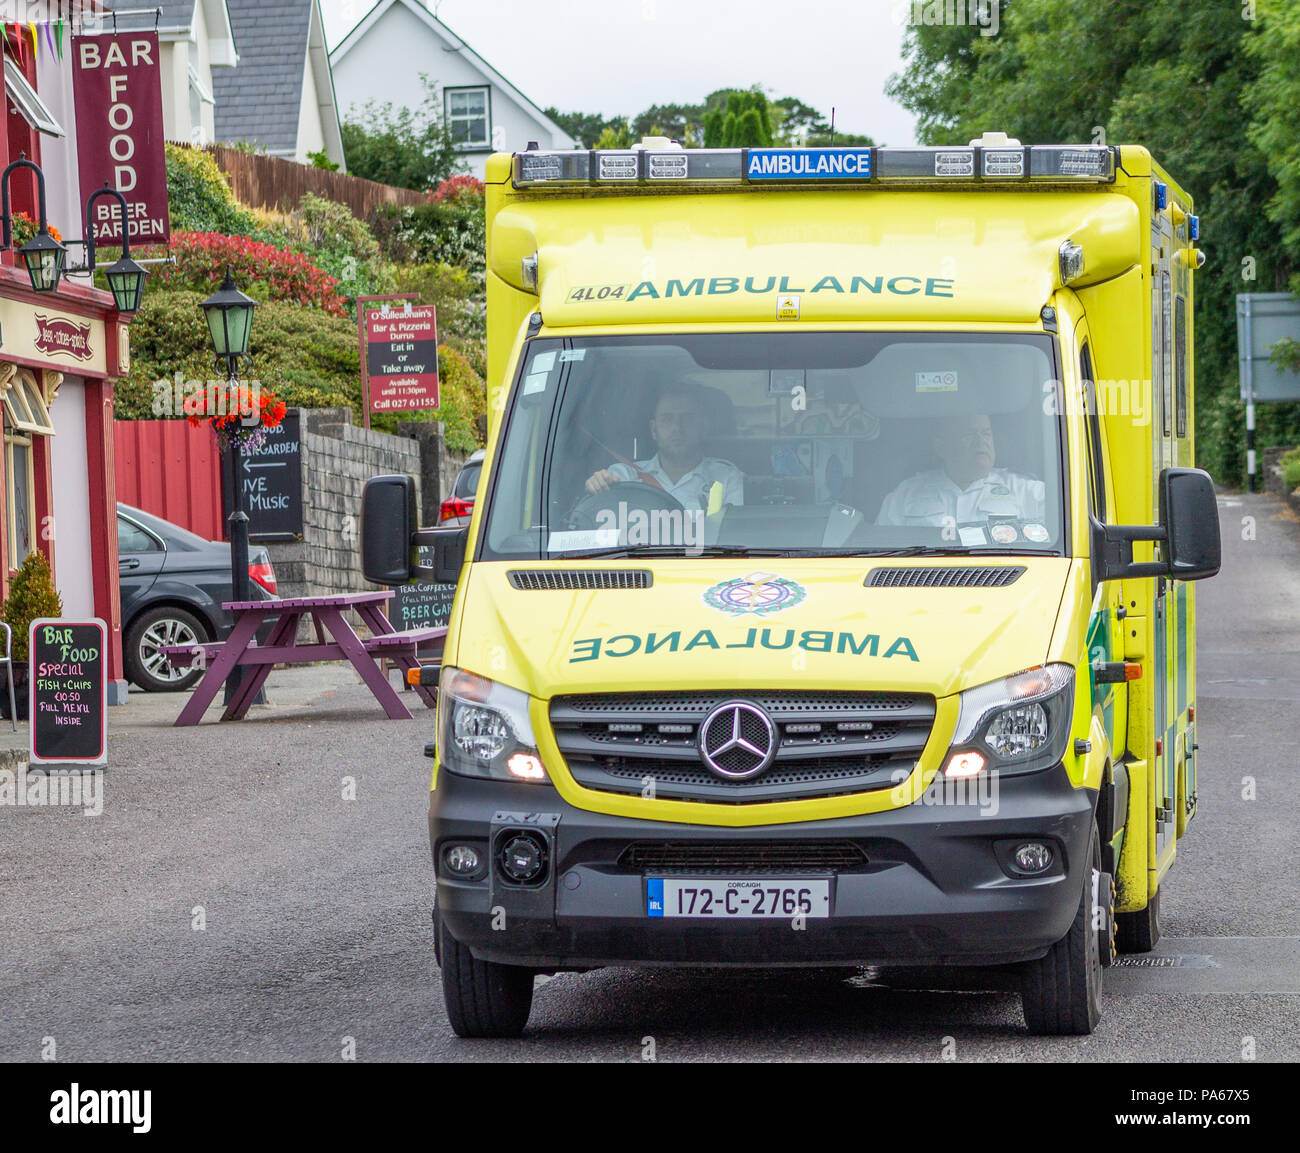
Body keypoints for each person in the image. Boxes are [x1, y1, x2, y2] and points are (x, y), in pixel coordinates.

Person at [584, 381, 744, 511]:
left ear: (703, 428)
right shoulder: (624, 476)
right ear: (654, 430)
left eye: (687, 418)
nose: (677, 428)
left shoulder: (726, 477)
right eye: (667, 419)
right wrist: (597, 485)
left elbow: (734, 537)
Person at [875, 412, 1046, 529]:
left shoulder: (1026, 490)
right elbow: (881, 548)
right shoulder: (907, 493)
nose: (981, 442)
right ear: (941, 447)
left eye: (986, 433)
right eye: (969, 435)